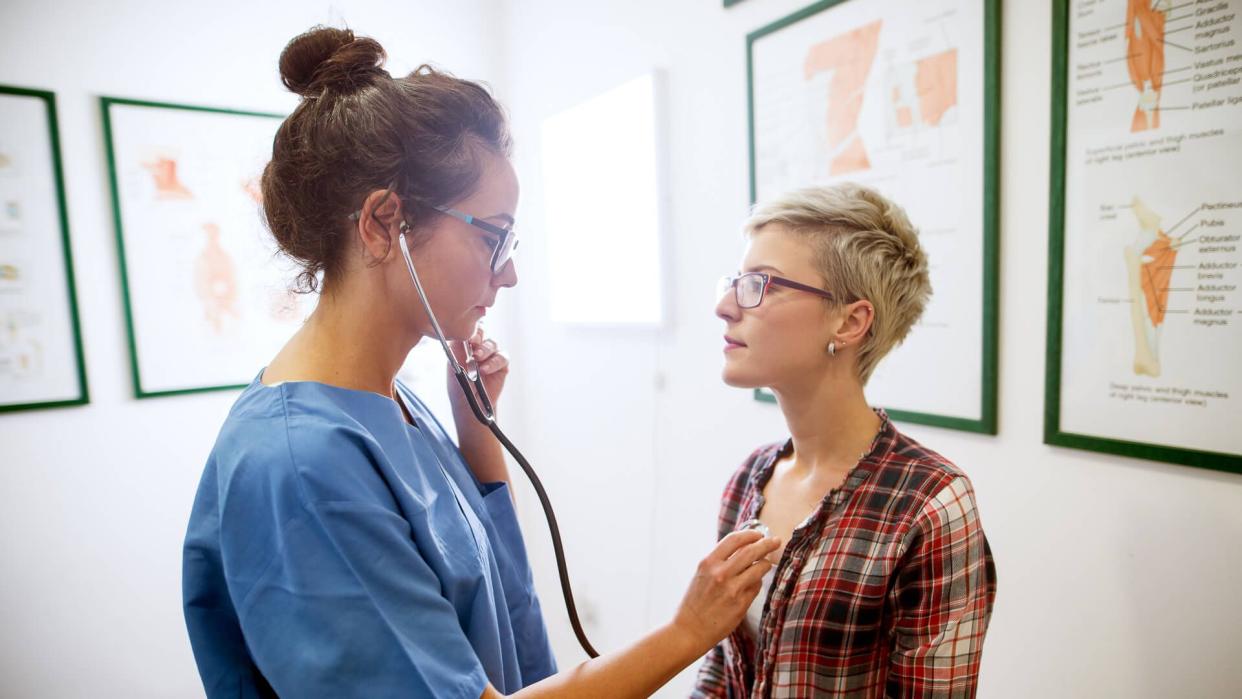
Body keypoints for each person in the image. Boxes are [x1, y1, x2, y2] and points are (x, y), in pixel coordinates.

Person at [182, 26, 780, 699]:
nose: (512, 272)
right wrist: (687, 631)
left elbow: (488, 594)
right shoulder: (299, 466)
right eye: (493, 238)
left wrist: (475, 431)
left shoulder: (389, 400)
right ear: (384, 224)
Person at [694, 183, 997, 697]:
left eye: (761, 284)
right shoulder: (748, 479)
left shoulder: (931, 504)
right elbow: (722, 672)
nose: (725, 305)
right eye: (736, 281)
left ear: (851, 321)